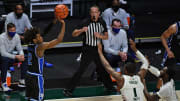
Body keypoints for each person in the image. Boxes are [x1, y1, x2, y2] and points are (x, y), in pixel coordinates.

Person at [63, 5, 115, 97]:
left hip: (98, 49)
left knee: (103, 69)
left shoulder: (102, 22)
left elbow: (106, 36)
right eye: (92, 12)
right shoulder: (85, 22)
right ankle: (68, 89)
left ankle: (109, 87)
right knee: (81, 70)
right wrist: (81, 30)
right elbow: (73, 34)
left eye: (96, 12)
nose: (94, 14)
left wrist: (100, 36)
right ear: (90, 13)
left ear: (99, 13)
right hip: (88, 49)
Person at [24, 17, 65, 101]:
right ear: (35, 40)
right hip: (36, 77)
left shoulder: (30, 45)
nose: (41, 37)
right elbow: (59, 39)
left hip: (28, 76)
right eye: (39, 36)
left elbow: (43, 32)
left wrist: (53, 22)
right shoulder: (40, 47)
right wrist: (63, 24)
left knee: (30, 98)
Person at [0, 23, 25, 91]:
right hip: (2, 56)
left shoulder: (16, 36)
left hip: (10, 56)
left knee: (25, 58)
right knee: (4, 59)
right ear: (7, 30)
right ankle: (3, 83)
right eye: (11, 30)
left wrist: (21, 55)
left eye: (14, 30)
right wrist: (16, 57)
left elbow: (19, 49)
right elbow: (3, 53)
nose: (13, 32)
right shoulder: (1, 37)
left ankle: (22, 80)